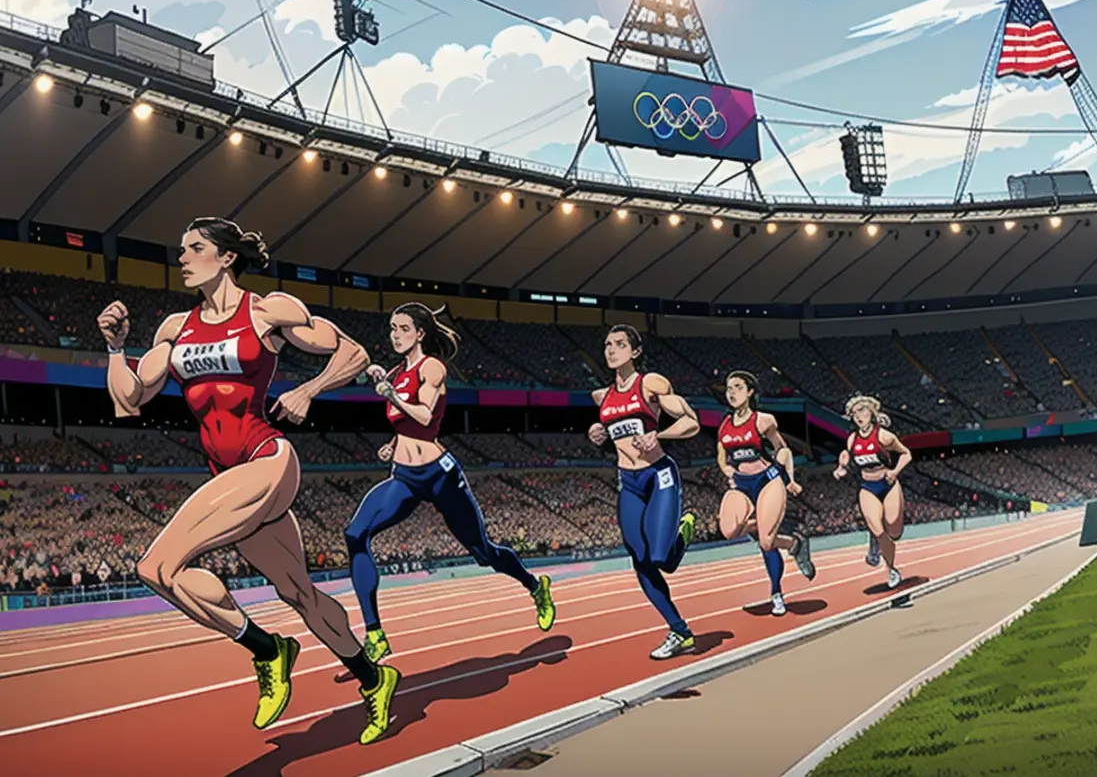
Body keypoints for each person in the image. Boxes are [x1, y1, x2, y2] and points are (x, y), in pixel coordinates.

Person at [97, 216, 397, 745]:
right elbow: (129, 400)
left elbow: (353, 353)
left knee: (156, 566)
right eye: (181, 249)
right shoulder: (174, 328)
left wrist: (309, 389)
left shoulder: (267, 311)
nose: (183, 258)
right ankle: (375, 680)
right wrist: (117, 348)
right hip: (228, 474)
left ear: (226, 257)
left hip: (267, 458)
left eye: (195, 248)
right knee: (298, 594)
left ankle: (265, 649)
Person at [347, 302, 556, 663]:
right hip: (404, 477)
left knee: (483, 552)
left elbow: (427, 418)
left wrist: (392, 394)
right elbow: (406, 426)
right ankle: (375, 633)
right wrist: (392, 444)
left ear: (420, 333)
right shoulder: (397, 372)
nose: (394, 335)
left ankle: (535, 586)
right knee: (355, 535)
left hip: (439, 475)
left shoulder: (432, 367)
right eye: (392, 328)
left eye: (402, 328)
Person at [587, 325, 699, 660]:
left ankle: (680, 536)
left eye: (620, 345)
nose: (611, 350)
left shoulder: (651, 383)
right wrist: (598, 433)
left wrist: (660, 436)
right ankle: (679, 630)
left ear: (635, 352)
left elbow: (691, 421)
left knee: (662, 558)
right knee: (640, 558)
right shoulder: (601, 396)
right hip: (628, 482)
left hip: (658, 475)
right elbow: (612, 431)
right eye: (607, 344)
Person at [716, 371, 815, 616]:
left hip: (767, 481)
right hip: (742, 484)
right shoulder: (724, 426)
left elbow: (782, 449)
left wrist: (789, 479)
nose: (732, 392)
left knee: (767, 543)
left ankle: (777, 590)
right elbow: (722, 459)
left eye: (738, 387)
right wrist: (729, 473)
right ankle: (792, 543)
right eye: (729, 388)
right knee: (730, 530)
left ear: (750, 392)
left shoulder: (764, 421)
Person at [832, 395, 911, 589]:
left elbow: (906, 454)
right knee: (878, 528)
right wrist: (842, 468)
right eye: (855, 414)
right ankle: (892, 569)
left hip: (888, 483)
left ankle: (878, 541)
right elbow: (848, 457)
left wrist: (894, 471)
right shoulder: (852, 439)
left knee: (894, 530)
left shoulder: (885, 436)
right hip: (867, 487)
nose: (859, 417)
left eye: (862, 411)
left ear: (872, 413)